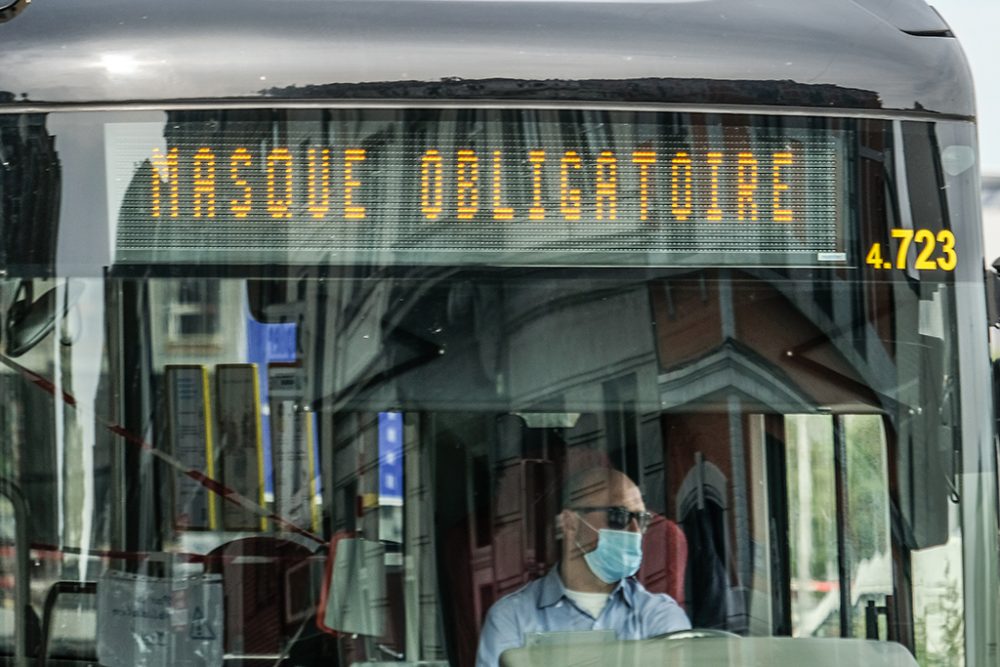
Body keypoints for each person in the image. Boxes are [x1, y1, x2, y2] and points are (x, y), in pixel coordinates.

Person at [475, 467, 691, 667]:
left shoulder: (659, 615)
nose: (635, 532)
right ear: (570, 522)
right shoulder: (512, 617)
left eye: (641, 519)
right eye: (619, 516)